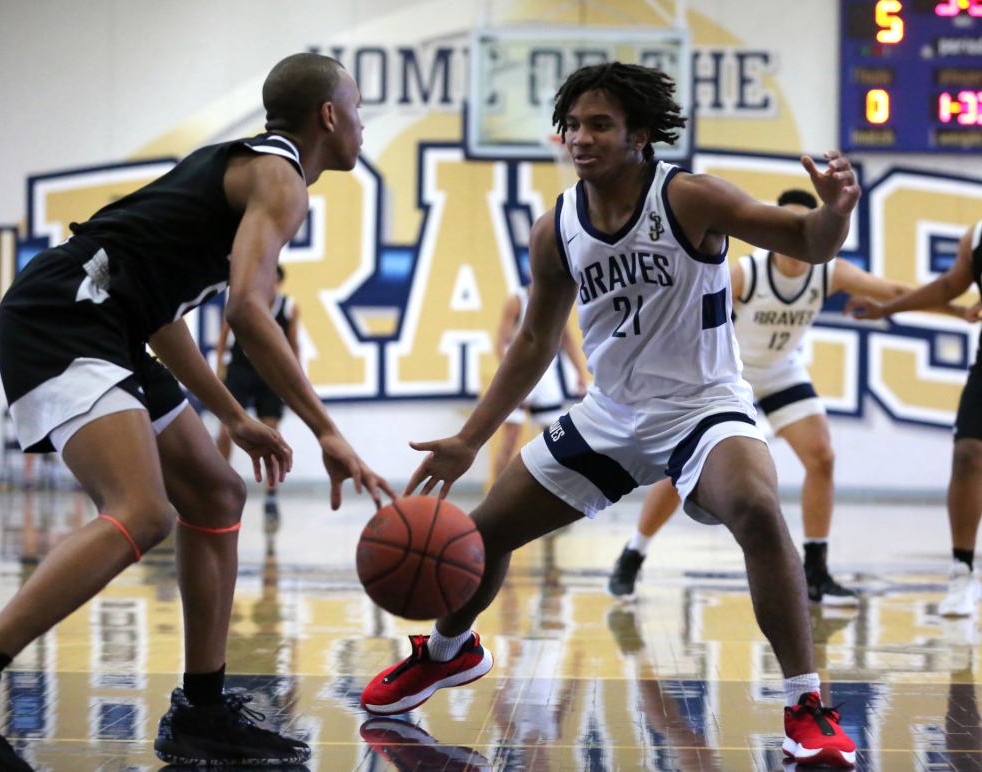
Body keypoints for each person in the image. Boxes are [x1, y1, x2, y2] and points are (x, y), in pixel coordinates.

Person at [359, 62, 859, 767]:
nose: (581, 138)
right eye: (572, 125)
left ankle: (806, 705)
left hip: (702, 405)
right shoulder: (556, 228)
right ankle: (448, 652)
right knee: (481, 534)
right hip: (610, 414)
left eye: (599, 124)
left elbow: (806, 241)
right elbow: (534, 340)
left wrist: (834, 213)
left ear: (639, 134)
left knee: (755, 506)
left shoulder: (689, 197)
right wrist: (471, 439)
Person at [0, 53, 392, 772]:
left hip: (115, 323)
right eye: (356, 110)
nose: (362, 125)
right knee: (142, 511)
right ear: (328, 115)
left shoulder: (247, 169)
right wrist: (326, 430)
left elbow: (162, 318)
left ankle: (201, 710)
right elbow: (250, 312)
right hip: (67, 311)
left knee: (217, 493)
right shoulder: (282, 180)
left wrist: (234, 416)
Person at [607, 189, 977, 605]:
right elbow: (684, 314)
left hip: (781, 370)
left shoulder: (828, 271)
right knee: (685, 470)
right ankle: (634, 553)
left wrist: (957, 312)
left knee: (822, 457)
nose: (796, 239)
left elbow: (892, 290)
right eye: (788, 229)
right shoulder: (747, 273)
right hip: (730, 376)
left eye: (804, 229)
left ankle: (816, 571)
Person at [847, 221, 982, 617]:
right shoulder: (975, 236)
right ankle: (962, 572)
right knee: (968, 453)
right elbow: (947, 286)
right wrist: (887, 309)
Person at [215, 265, 300, 518]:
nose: (269, 284)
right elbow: (223, 338)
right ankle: (218, 487)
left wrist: (295, 381)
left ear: (280, 282)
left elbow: (293, 345)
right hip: (240, 370)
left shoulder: (289, 307)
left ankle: (271, 495)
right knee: (225, 430)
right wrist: (219, 369)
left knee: (271, 433)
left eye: (274, 280)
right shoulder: (241, 302)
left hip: (271, 374)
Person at [492, 281, 589, 479]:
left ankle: (552, 488)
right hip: (519, 373)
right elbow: (500, 345)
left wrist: (580, 373)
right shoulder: (517, 301)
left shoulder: (558, 300)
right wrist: (512, 379)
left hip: (546, 376)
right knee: (511, 438)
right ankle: (496, 490)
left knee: (557, 436)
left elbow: (567, 338)